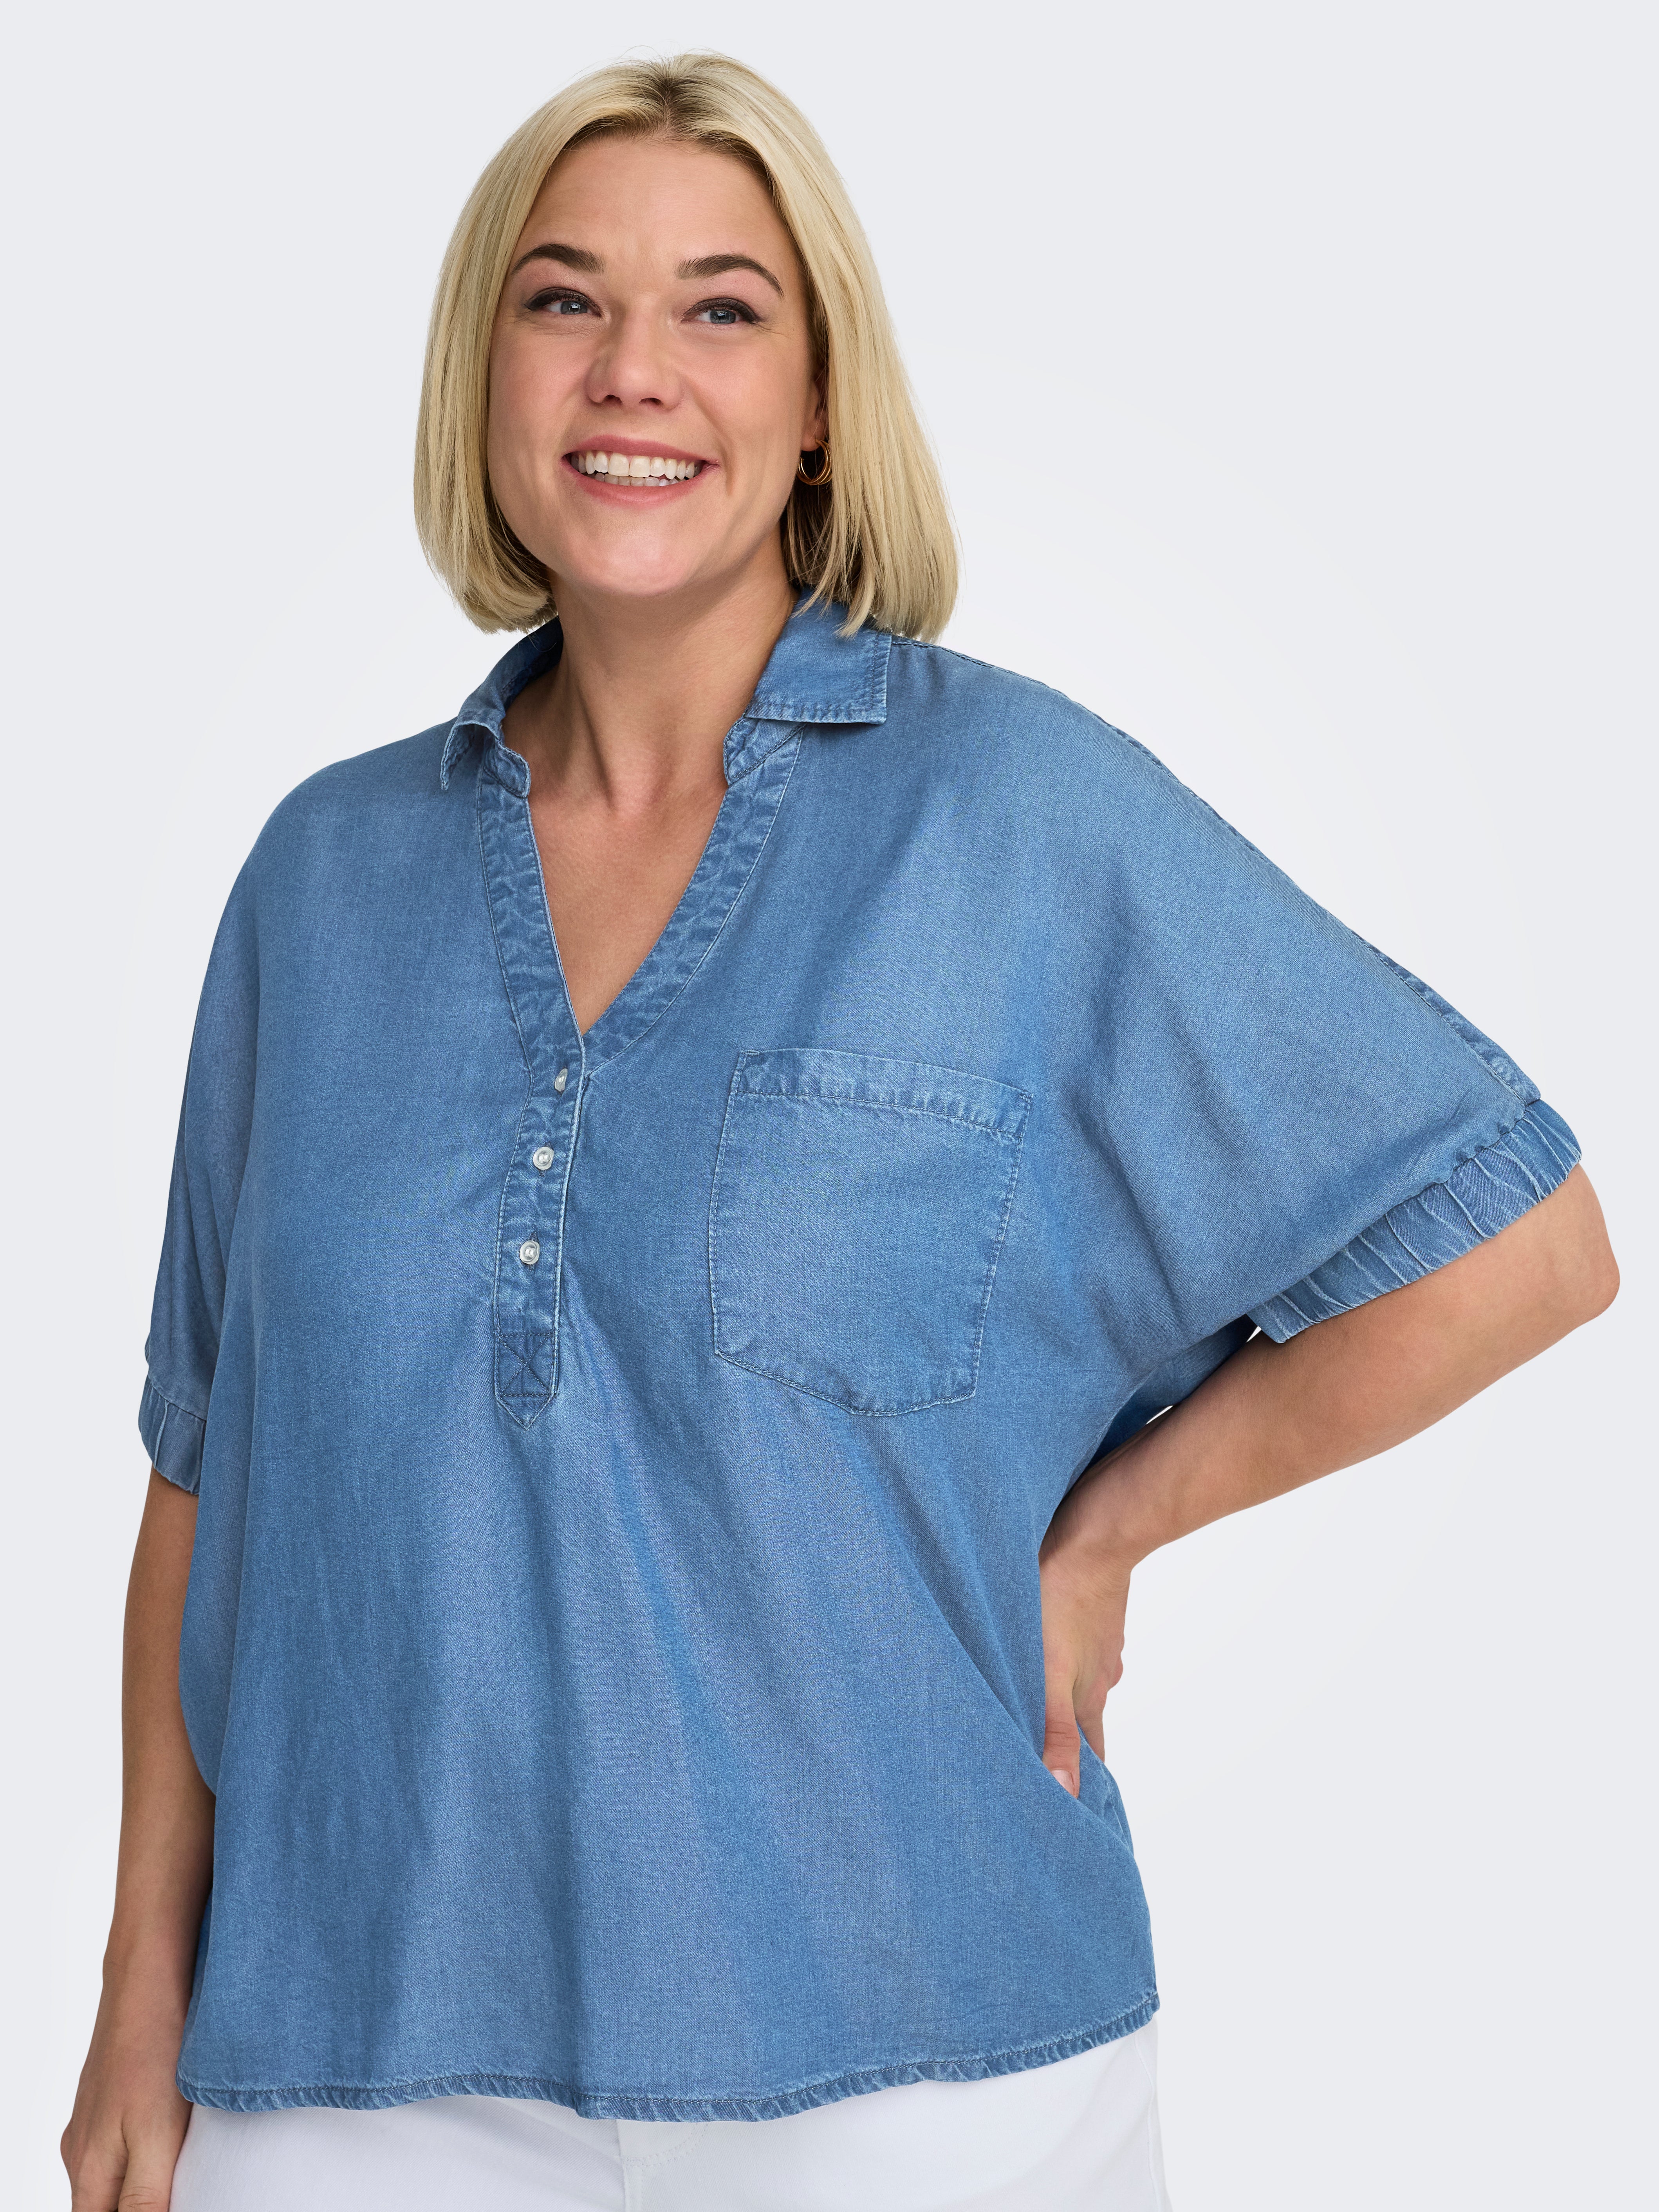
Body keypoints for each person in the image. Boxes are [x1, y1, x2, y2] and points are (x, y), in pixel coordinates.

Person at [61, 50, 1617, 2212]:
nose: (633, 370)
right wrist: (139, 1986)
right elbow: (205, 1472)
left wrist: (1115, 1526)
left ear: (817, 403)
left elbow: (1521, 1239)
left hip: (917, 2066)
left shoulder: (1021, 820)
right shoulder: (320, 881)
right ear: (482, 372)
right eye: (562, 298)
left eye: (722, 308)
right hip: (350, 2066)